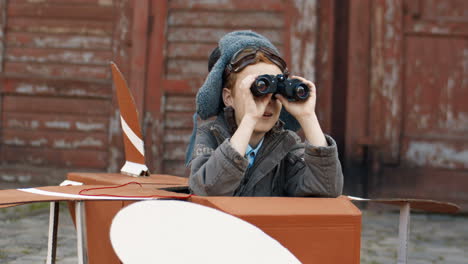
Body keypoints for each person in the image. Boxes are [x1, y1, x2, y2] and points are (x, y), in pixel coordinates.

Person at [185, 30, 343, 197]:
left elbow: (326, 188)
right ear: (229, 97)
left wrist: (308, 116)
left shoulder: (286, 144)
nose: (267, 102)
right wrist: (250, 118)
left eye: (275, 93)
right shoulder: (210, 135)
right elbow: (208, 189)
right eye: (257, 92)